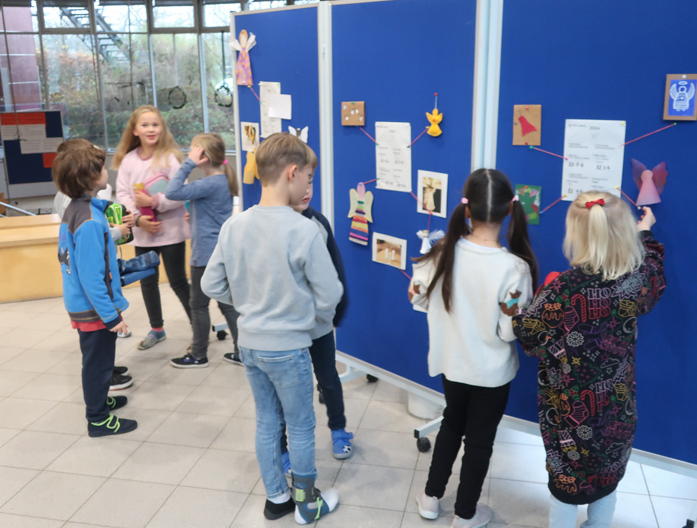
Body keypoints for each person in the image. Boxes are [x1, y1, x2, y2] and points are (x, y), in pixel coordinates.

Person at [201, 132, 343, 524]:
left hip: (250, 343)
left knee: (267, 421)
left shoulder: (234, 225)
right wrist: (306, 316)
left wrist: (250, 303)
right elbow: (330, 293)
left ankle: (277, 498)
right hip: (288, 347)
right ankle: (307, 504)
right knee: (301, 426)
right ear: (292, 173)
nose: (308, 186)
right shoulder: (304, 230)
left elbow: (211, 284)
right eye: (308, 178)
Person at [513, 192, 666, 528]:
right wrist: (646, 235)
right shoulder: (634, 281)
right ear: (622, 232)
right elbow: (655, 274)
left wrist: (525, 306)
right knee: (607, 481)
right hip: (618, 412)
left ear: (576, 234)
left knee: (565, 489)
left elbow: (527, 334)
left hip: (568, 416)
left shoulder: (562, 288)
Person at [410, 168, 538, 528]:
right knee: (480, 442)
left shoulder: (441, 252)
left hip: (452, 364)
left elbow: (417, 298)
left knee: (452, 422)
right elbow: (508, 331)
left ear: (467, 209)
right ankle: (465, 514)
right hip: (492, 374)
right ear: (510, 210)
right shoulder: (515, 268)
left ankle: (431, 498)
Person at [53, 141, 138, 437]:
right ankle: (98, 419)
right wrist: (111, 316)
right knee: (98, 365)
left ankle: (100, 400)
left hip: (84, 304)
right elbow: (92, 278)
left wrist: (107, 209)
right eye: (102, 167)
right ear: (89, 178)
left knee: (99, 360)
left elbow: (93, 212)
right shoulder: (89, 223)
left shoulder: (80, 209)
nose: (106, 171)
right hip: (94, 309)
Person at [280, 174, 352, 468]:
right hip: (285, 327)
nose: (307, 190)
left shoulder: (318, 223)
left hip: (318, 324)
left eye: (311, 182)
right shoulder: (274, 224)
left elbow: (336, 271)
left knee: (328, 378)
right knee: (284, 389)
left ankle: (339, 429)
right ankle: (281, 446)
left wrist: (336, 310)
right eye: (302, 182)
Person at [114, 105, 191, 350]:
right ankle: (157, 329)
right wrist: (138, 219)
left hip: (171, 233)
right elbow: (123, 194)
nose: (151, 129)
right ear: (135, 130)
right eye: (145, 125)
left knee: (178, 282)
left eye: (155, 124)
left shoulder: (170, 158)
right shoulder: (128, 160)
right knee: (148, 282)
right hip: (143, 234)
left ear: (162, 128)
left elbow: (181, 193)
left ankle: (198, 329)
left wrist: (155, 202)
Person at [164, 133, 241, 368]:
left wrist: (188, 164)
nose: (190, 154)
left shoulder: (207, 183)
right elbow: (213, 211)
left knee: (198, 305)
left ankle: (198, 355)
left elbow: (172, 192)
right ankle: (243, 352)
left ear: (203, 156)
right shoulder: (222, 181)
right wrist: (196, 215)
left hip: (205, 254)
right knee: (227, 304)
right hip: (220, 251)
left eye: (194, 151)